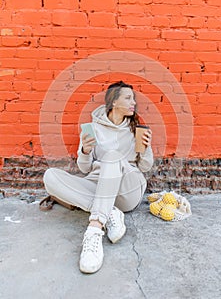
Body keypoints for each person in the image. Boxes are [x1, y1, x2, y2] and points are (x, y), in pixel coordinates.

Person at [43, 81, 154, 274]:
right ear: (113, 102)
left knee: (111, 156)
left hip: (128, 189)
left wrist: (146, 148)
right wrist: (85, 151)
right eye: (128, 98)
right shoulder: (93, 128)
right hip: (99, 185)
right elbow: (84, 168)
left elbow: (144, 167)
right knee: (50, 176)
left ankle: (95, 229)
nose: (133, 102)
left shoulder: (136, 130)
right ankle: (109, 212)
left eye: (133, 98)